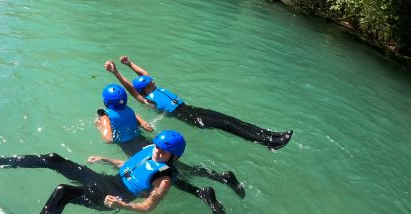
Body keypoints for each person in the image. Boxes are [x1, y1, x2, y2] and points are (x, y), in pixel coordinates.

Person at [0, 130, 188, 214]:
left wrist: (123, 206)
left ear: (174, 156)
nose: (157, 152)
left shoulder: (164, 179)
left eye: (163, 152)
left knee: (63, 191)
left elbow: (148, 207)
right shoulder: (150, 149)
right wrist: (105, 159)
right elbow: (130, 165)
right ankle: (0, 161)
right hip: (106, 181)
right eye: (158, 147)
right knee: (53, 158)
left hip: (111, 198)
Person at [96, 84, 245, 214]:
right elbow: (146, 126)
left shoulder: (105, 117)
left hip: (137, 150)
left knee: (167, 177)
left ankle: (203, 190)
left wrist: (99, 126)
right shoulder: (130, 111)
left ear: (106, 101)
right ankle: (218, 179)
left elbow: (108, 139)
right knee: (178, 171)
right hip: (149, 144)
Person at [105, 56, 293, 150]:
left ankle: (270, 135)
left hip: (191, 108)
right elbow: (131, 87)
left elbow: (143, 74)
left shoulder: (152, 86)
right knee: (227, 125)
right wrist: (116, 72)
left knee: (231, 119)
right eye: (149, 83)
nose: (152, 81)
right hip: (189, 117)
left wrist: (129, 63)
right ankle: (268, 143)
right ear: (145, 89)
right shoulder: (146, 99)